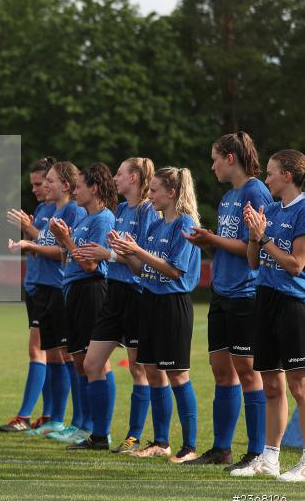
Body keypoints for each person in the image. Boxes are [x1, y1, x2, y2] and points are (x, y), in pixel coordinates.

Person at [184, 133, 271, 469]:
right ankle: (221, 449)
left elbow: (257, 246)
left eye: (215, 158)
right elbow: (225, 244)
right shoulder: (227, 197)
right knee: (221, 370)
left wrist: (213, 238)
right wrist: (204, 242)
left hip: (246, 293)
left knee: (248, 371)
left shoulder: (255, 191)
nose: (212, 165)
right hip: (222, 292)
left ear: (230, 157)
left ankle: (258, 451)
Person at [111, 167, 202, 463]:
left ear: (171, 193)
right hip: (148, 301)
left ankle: (189, 447)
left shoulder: (185, 224)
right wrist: (126, 253)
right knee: (151, 371)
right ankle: (161, 442)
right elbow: (142, 269)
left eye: (154, 190)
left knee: (177, 374)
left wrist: (138, 249)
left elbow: (174, 270)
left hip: (172, 305)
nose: (149, 196)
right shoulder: (156, 225)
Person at [73, 158, 158, 454]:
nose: (116, 178)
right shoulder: (120, 210)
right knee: (92, 363)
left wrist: (107, 254)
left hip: (137, 294)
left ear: (134, 178)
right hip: (115, 293)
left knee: (138, 368)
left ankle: (134, 437)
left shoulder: (149, 210)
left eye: (120, 174)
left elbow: (143, 256)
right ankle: (99, 436)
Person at [233, 149, 305, 480]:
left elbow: (295, 265)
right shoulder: (272, 210)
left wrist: (264, 238)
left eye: (271, 173)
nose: (267, 179)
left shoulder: (303, 210)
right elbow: (252, 262)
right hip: (265, 299)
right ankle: (270, 458)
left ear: (288, 176)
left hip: (294, 304)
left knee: (299, 387)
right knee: (271, 386)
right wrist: (253, 236)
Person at [13, 162, 87, 437]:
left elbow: (62, 251)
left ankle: (79, 422)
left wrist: (31, 240)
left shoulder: (72, 210)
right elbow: (43, 244)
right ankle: (55, 418)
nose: (40, 188)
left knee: (70, 357)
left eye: (45, 182)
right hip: (40, 288)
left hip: (58, 287)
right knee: (56, 356)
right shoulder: (50, 210)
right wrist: (29, 232)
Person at [48, 163, 117, 449]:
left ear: (94, 188)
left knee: (95, 361)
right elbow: (73, 258)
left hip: (91, 291)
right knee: (79, 360)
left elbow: (90, 265)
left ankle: (99, 431)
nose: (74, 191)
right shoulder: (84, 219)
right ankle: (86, 426)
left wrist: (65, 239)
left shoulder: (103, 219)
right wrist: (65, 240)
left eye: (78, 186)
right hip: (73, 290)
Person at [0, 157, 57, 432]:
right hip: (35, 285)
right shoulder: (42, 208)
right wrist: (25, 237)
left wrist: (30, 230)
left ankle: (26, 417)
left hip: (50, 288)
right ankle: (47, 415)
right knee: (49, 353)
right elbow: (36, 244)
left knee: (41, 351)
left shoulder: (61, 211)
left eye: (39, 183)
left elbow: (55, 247)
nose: (34, 189)